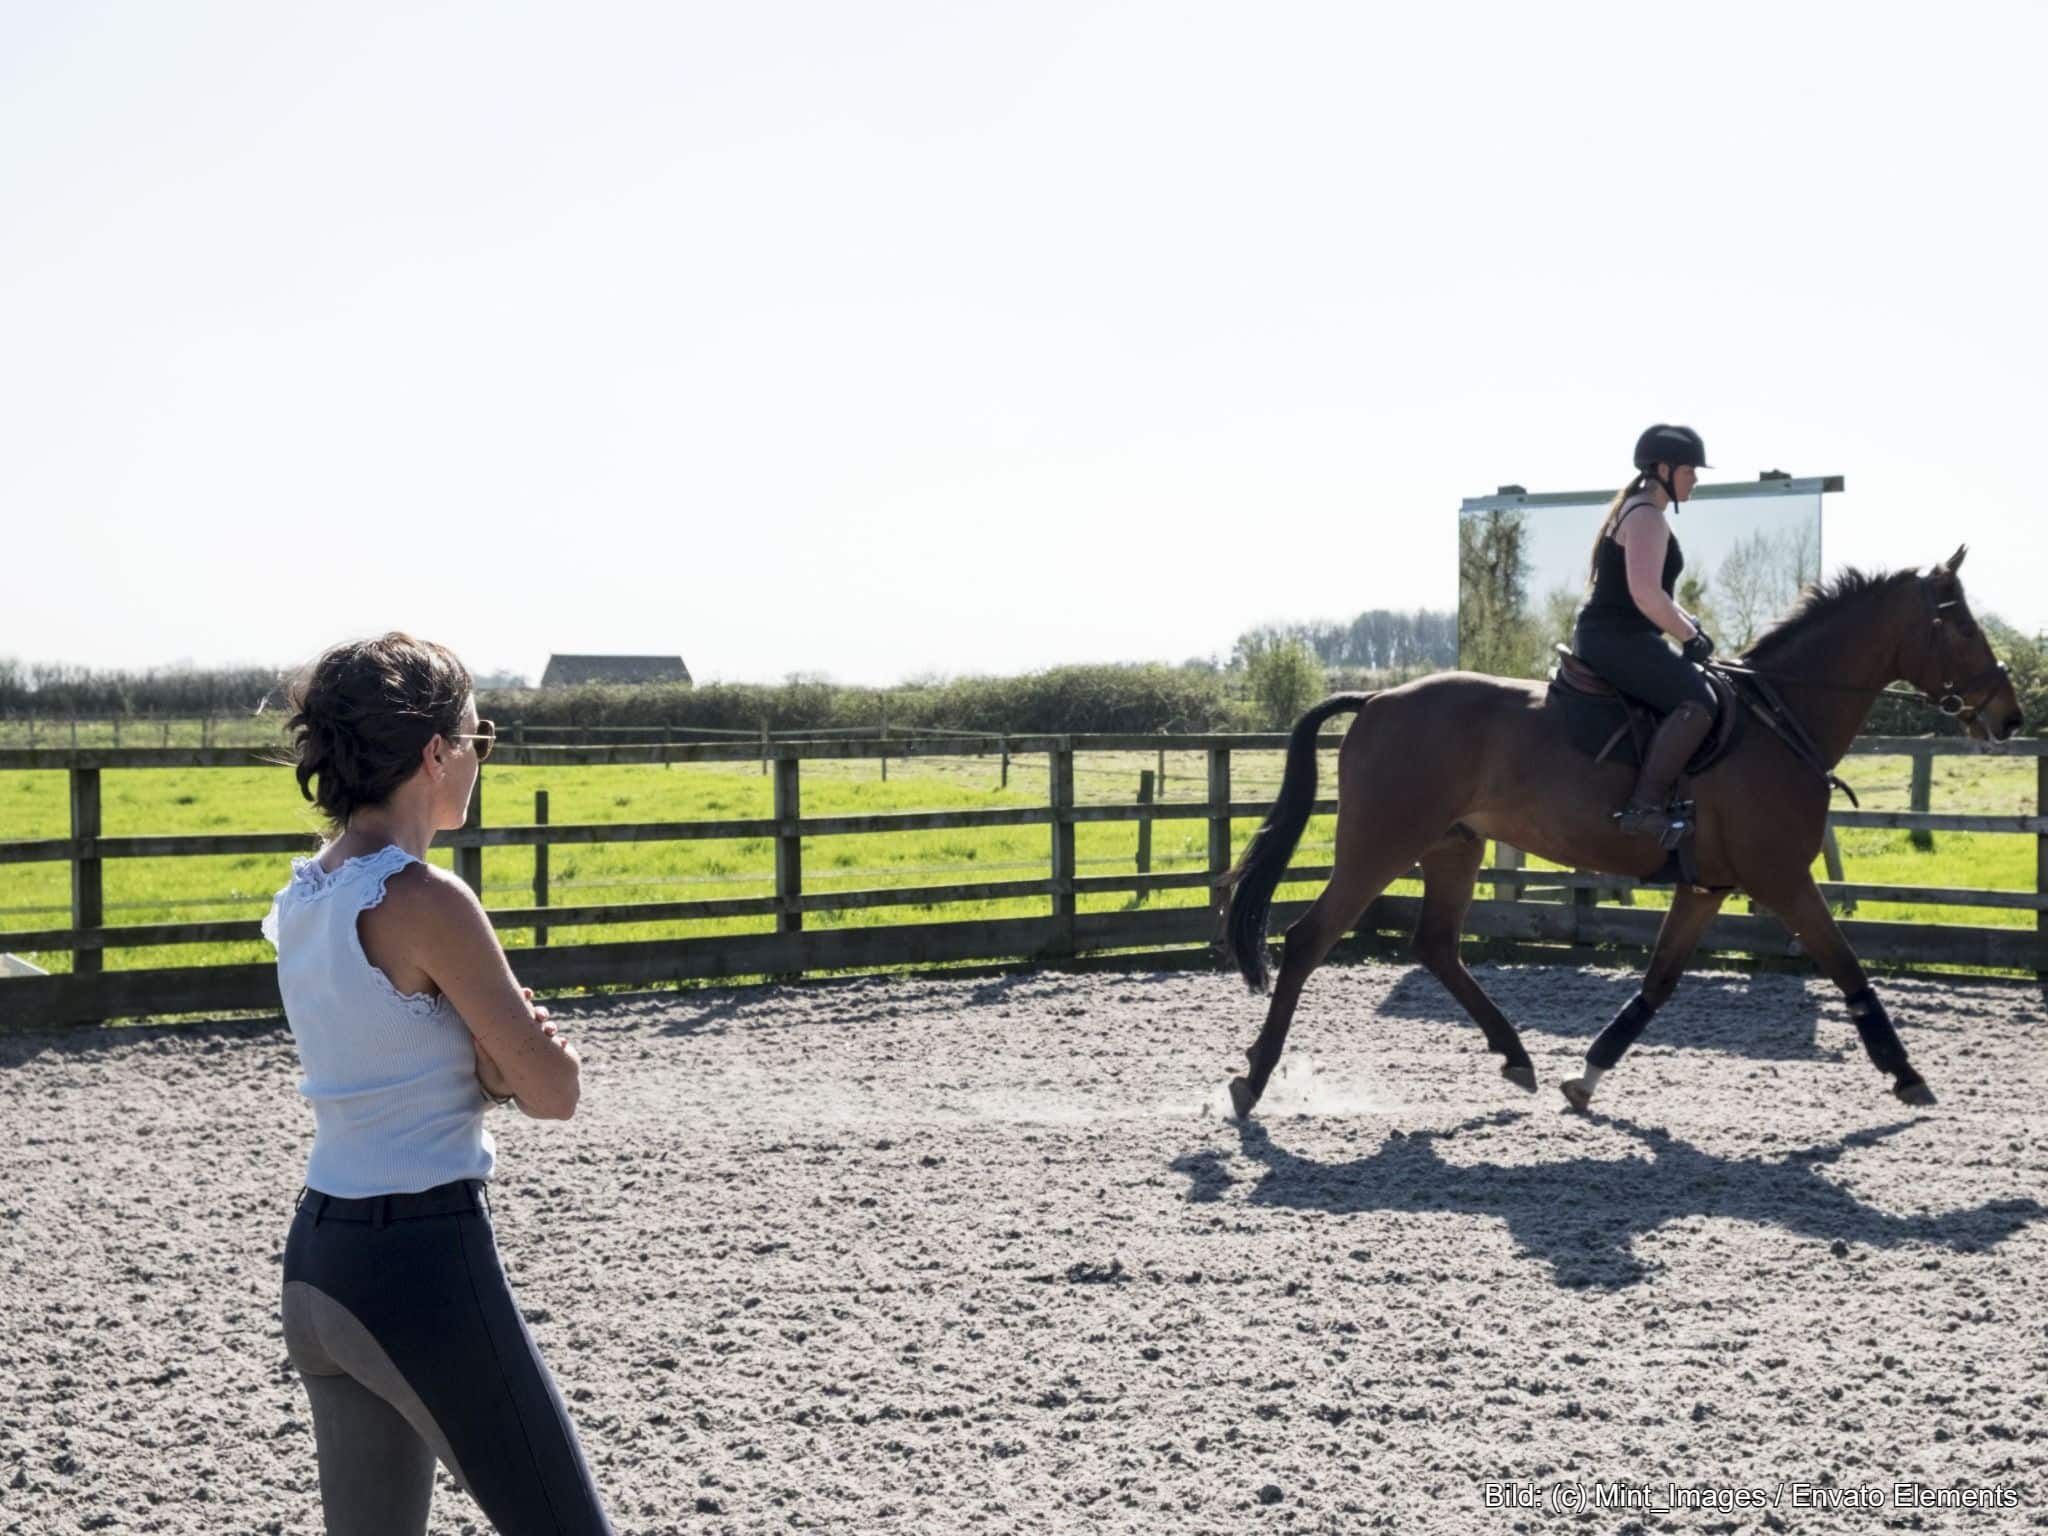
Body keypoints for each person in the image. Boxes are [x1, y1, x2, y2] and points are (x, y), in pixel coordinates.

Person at [266, 632, 613, 1535]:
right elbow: (554, 1091)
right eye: (478, 738)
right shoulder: (428, 899)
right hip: (421, 1259)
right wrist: (501, 1053)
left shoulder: (302, 898)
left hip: (320, 1261)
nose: (479, 758)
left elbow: (395, 1050)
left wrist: (486, 1054)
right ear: (435, 752)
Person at [1572, 424, 1720, 844]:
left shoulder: (1637, 511)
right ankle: (1644, 807)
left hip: (1616, 634)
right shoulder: (1647, 517)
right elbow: (1645, 594)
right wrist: (1689, 637)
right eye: (1690, 470)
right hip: (1617, 637)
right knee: (1699, 700)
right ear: (1663, 469)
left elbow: (1655, 595)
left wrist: (1691, 625)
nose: (1695, 479)